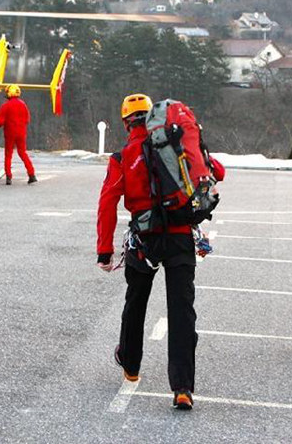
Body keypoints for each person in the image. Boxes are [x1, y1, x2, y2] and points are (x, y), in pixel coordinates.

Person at [96, 93, 224, 411]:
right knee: (182, 311)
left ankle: (131, 364)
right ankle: (182, 387)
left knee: (135, 303)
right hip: (181, 236)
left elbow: (107, 202)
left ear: (127, 122)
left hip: (145, 240)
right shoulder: (173, 141)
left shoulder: (123, 155)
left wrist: (104, 250)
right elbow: (216, 171)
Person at [0, 84, 37, 185]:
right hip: (21, 133)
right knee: (23, 153)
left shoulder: (6, 105)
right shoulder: (23, 104)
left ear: (9, 93)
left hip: (10, 133)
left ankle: (8, 177)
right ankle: (31, 174)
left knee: (8, 154)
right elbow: (27, 119)